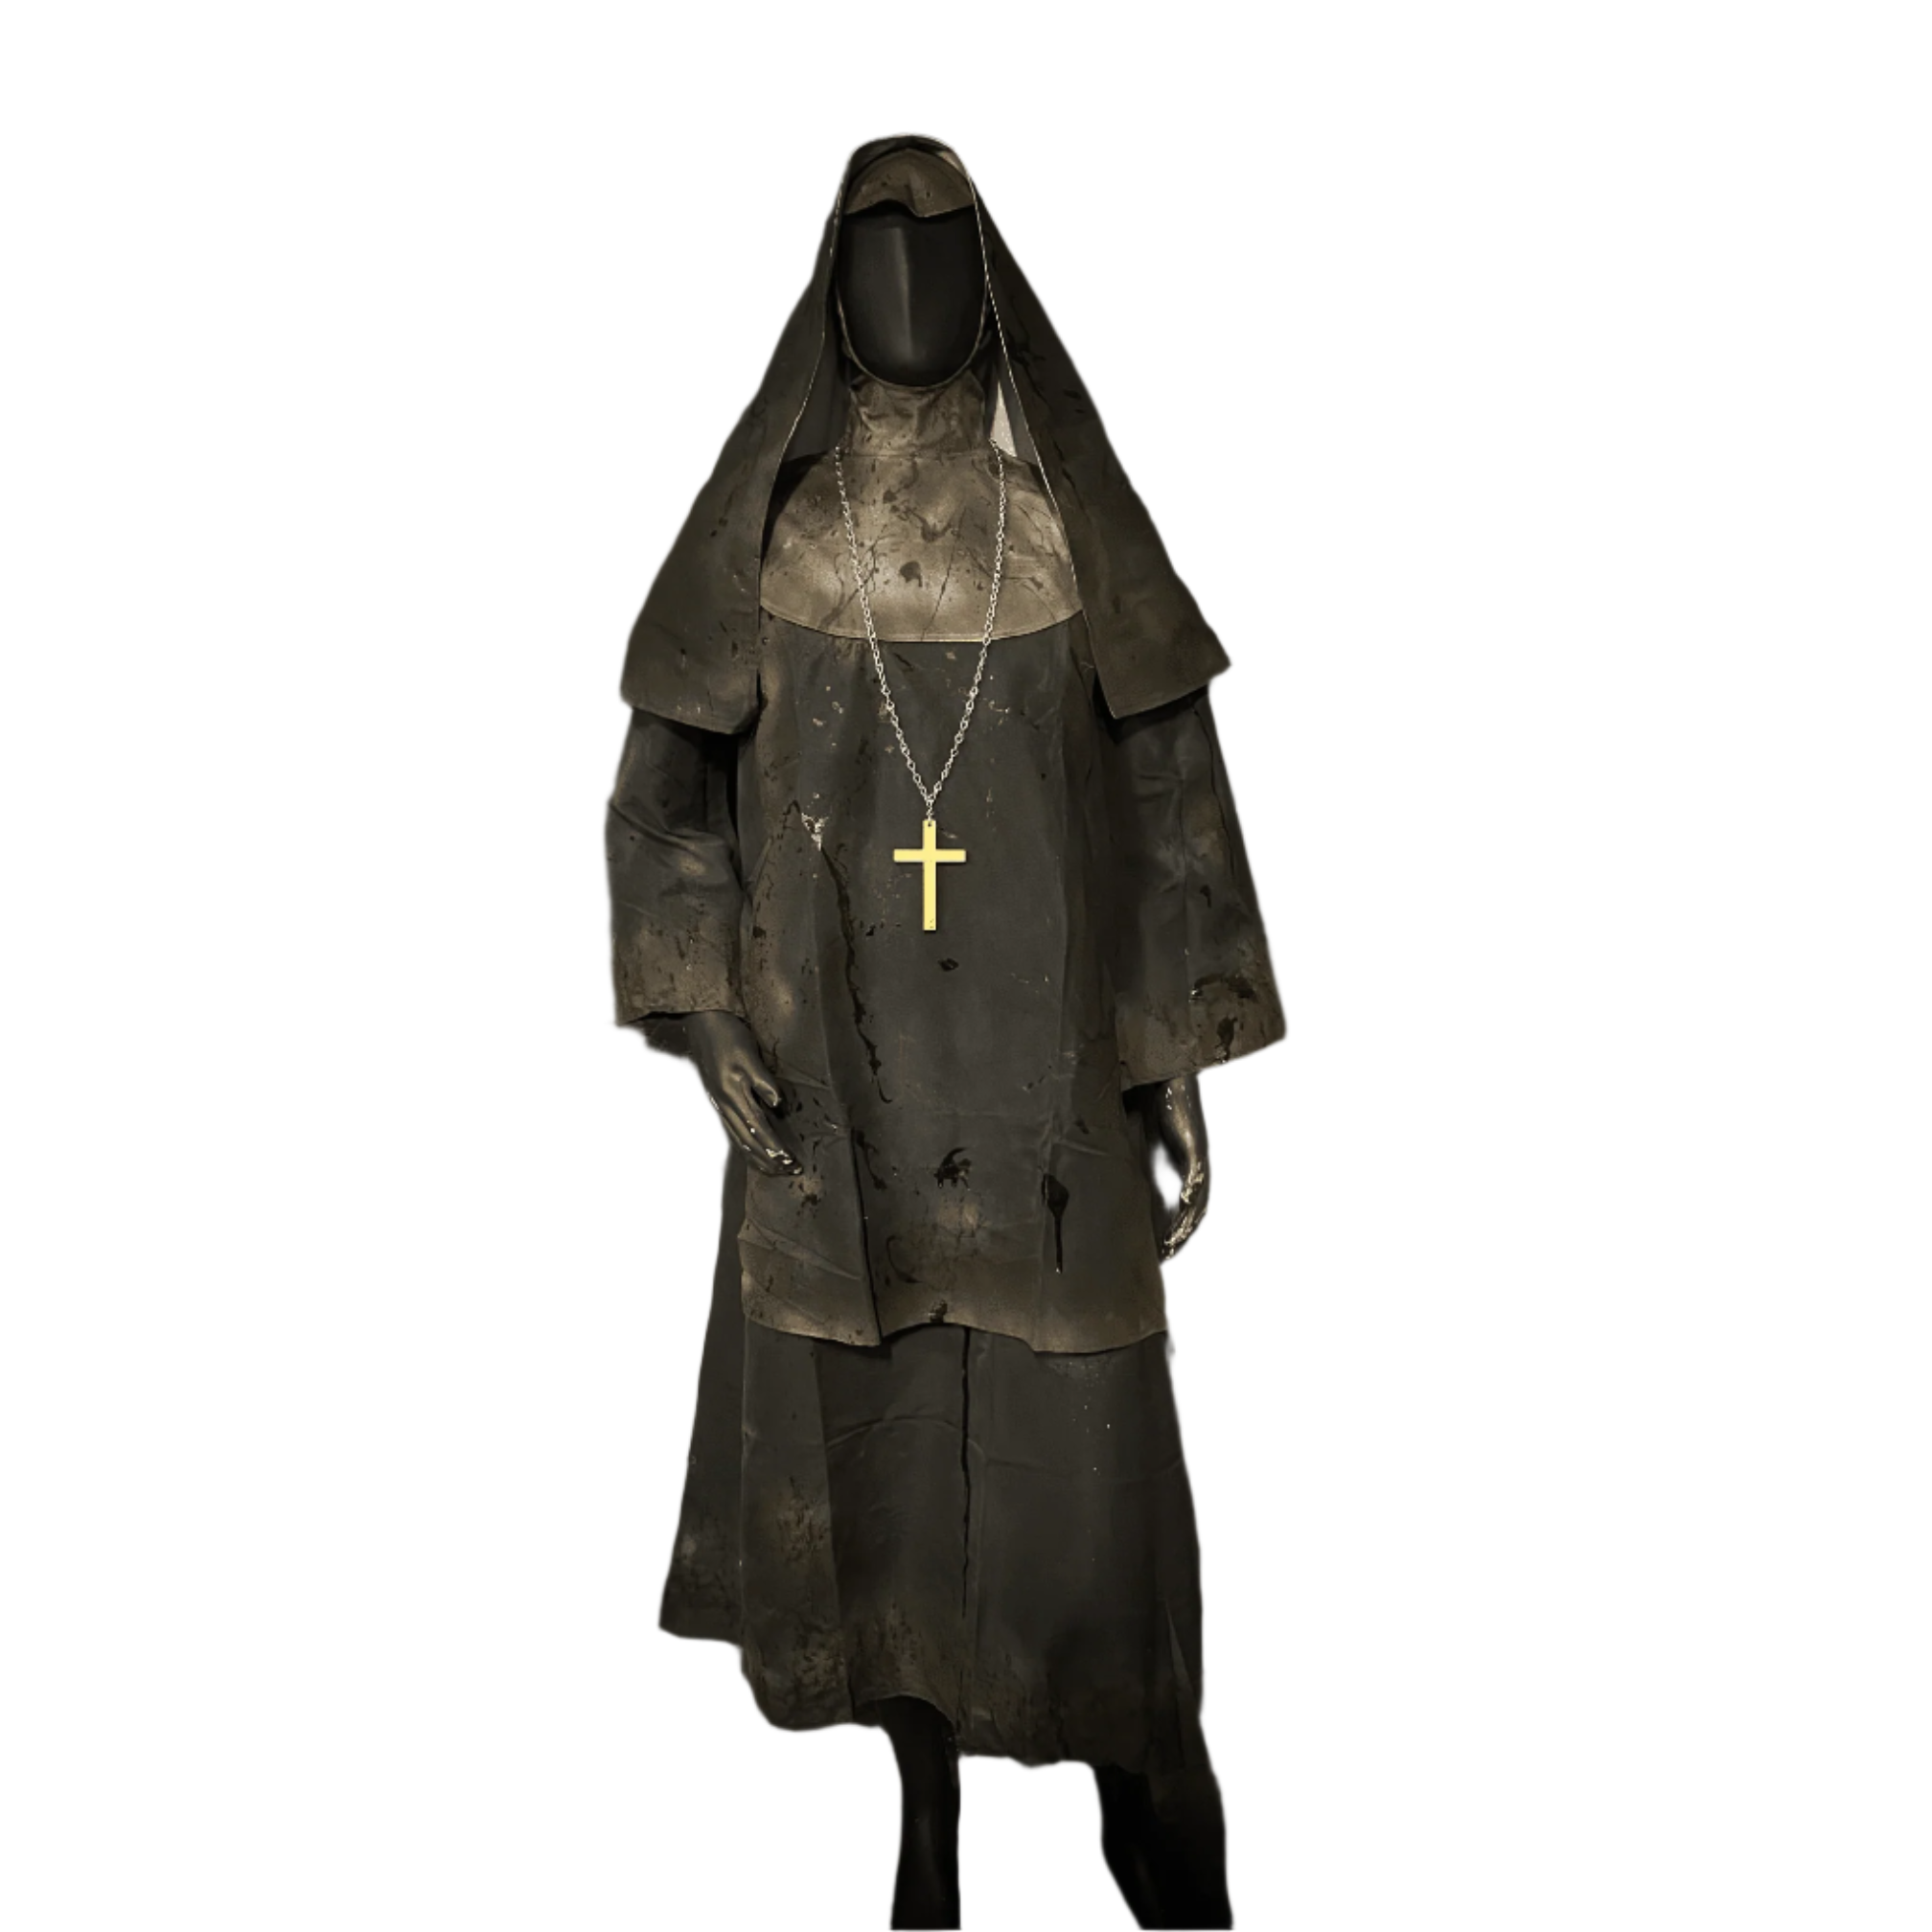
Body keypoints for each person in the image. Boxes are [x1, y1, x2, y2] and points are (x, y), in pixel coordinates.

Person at [607, 134, 1286, 1928]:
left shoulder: (1069, 535)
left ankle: (1159, 1839)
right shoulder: (769, 543)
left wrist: (1178, 1046)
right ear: (832, 292)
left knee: (1107, 1551)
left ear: (987, 288)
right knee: (892, 1476)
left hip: (1056, 1115)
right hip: (842, 1112)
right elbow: (665, 806)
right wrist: (705, 1017)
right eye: (876, 251)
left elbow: (1169, 796)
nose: (907, 283)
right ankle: (928, 1845)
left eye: (937, 251)